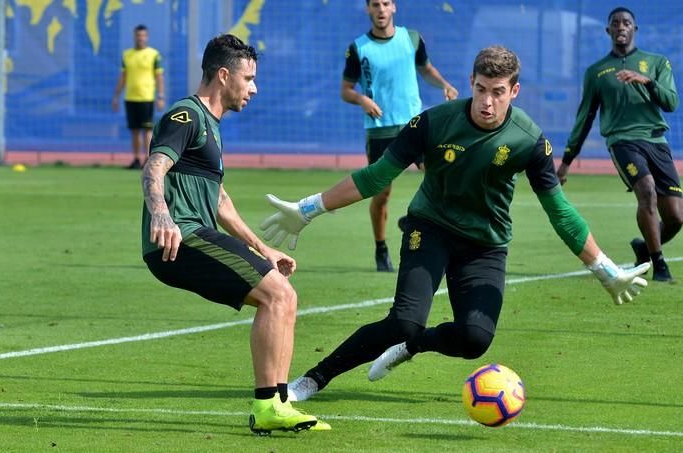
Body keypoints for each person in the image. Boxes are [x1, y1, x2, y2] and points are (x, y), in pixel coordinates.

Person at [259, 46, 650, 402]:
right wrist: (308, 209)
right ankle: (312, 379)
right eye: (481, 89)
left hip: (485, 244)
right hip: (430, 228)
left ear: (514, 91)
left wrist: (604, 269)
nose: (487, 101)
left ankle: (413, 347)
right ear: (470, 83)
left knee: (474, 339)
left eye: (498, 92)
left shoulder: (529, 140)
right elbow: (377, 176)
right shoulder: (433, 122)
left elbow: (560, 211)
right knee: (404, 321)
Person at [140, 34, 329, 434]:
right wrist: (161, 215)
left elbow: (220, 199)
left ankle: (277, 403)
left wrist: (263, 248)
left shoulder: (211, 124)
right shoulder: (185, 116)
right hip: (181, 237)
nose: (254, 88)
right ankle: (267, 406)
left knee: (283, 295)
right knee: (277, 294)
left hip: (195, 232)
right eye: (249, 78)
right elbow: (154, 167)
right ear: (224, 75)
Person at [557, 7, 682, 282]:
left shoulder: (657, 62)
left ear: (634, 29)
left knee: (676, 216)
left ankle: (643, 247)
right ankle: (659, 265)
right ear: (608, 31)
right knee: (646, 191)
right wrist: (566, 162)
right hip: (622, 142)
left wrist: (647, 81)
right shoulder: (597, 72)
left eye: (626, 22)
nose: (621, 27)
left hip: (655, 141)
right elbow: (585, 118)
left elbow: (671, 102)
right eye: (615, 23)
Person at [342, 0, 458, 272]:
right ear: (368, 9)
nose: (381, 9)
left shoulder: (412, 38)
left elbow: (426, 69)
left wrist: (445, 85)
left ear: (393, 7)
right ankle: (381, 249)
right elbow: (345, 89)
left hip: (414, 125)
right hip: (380, 130)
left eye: (385, 3)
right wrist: (361, 100)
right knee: (381, 194)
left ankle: (414, 217)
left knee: (440, 176)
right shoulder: (358, 47)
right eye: (375, 5)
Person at [113, 24, 166, 169]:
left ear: (147, 37)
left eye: (143, 35)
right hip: (130, 97)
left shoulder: (154, 54)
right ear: (134, 36)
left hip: (147, 97)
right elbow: (123, 77)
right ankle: (136, 159)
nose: (140, 38)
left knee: (147, 130)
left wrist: (160, 96)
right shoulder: (127, 54)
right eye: (138, 35)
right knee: (134, 130)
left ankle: (147, 159)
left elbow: (159, 76)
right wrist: (116, 96)